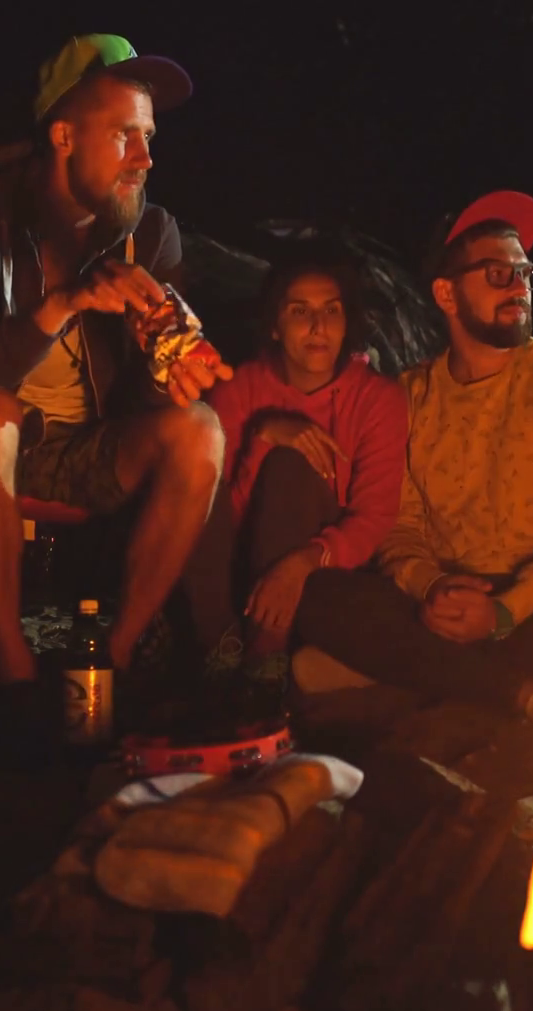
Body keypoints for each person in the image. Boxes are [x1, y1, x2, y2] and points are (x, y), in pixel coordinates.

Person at [0, 34, 230, 711]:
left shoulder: (152, 232)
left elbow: (144, 399)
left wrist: (166, 360)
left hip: (93, 449)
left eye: (149, 137)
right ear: (63, 135)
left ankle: (109, 662)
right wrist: (67, 301)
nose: (145, 158)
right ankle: (14, 679)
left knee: (200, 430)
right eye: (125, 135)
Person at [293, 192, 533, 721]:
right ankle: (522, 695)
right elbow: (398, 524)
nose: (519, 287)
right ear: (446, 293)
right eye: (498, 274)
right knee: (319, 595)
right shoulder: (408, 395)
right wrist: (432, 587)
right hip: (437, 599)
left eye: (526, 273)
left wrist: (501, 613)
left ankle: (418, 674)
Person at [181, 254, 409, 710]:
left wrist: (305, 561)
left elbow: (374, 516)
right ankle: (218, 648)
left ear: (347, 323)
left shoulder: (378, 399)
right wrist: (265, 437)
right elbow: (217, 512)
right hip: (237, 561)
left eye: (331, 310)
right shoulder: (241, 387)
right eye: (300, 311)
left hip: (324, 565)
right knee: (193, 467)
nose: (318, 326)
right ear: (275, 326)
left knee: (292, 469)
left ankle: (266, 660)